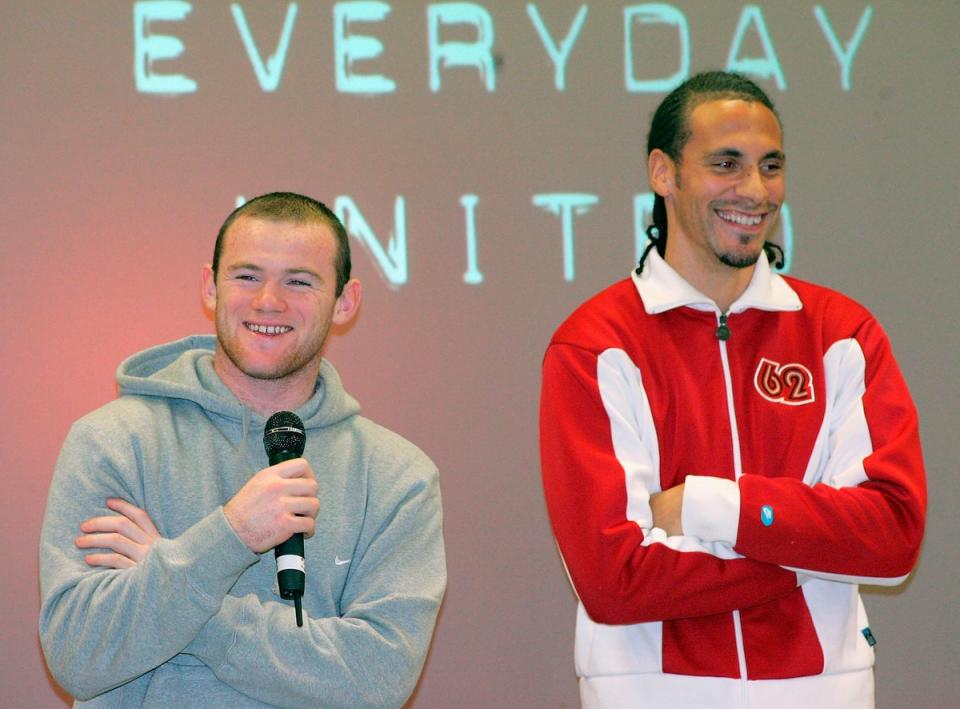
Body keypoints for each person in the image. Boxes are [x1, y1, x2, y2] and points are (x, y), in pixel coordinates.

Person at [539, 71, 925, 708]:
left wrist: (706, 506)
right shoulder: (595, 345)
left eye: (770, 166)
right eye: (726, 164)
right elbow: (612, 581)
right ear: (663, 173)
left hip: (825, 690)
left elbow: (892, 536)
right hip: (653, 692)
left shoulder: (843, 334)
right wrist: (810, 552)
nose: (755, 190)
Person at [39, 192, 446, 707]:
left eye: (299, 280)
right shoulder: (113, 441)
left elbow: (376, 680)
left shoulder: (398, 476)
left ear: (345, 301)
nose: (268, 301)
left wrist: (176, 575)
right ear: (210, 286)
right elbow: (80, 656)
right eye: (246, 276)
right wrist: (230, 535)